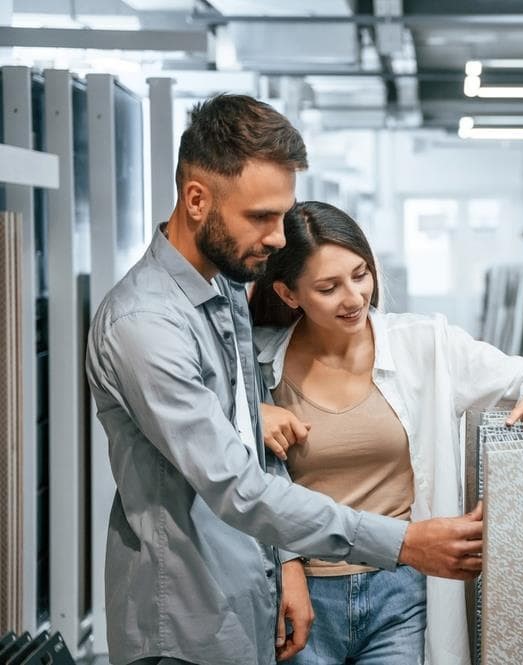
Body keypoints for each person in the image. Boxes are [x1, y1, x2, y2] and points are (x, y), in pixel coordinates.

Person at [86, 94, 485, 665]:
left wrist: (287, 565)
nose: (279, 237)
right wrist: (401, 543)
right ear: (196, 200)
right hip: (186, 628)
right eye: (261, 217)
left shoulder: (222, 290)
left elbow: (255, 448)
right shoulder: (146, 325)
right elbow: (236, 487)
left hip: (250, 601)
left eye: (282, 213)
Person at [249, 201, 523, 665]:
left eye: (361, 275)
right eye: (328, 287)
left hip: (400, 590)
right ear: (288, 294)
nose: (354, 298)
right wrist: (250, 413)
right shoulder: (260, 369)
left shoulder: (424, 344)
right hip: (302, 593)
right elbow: (238, 473)